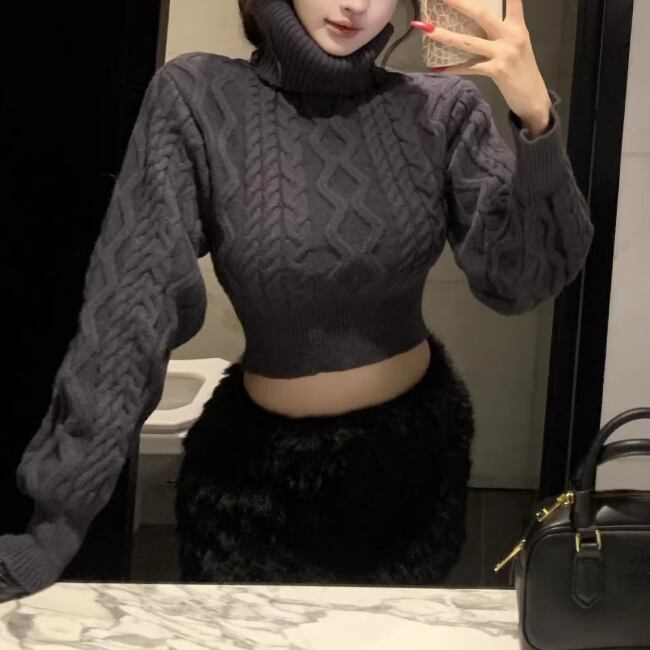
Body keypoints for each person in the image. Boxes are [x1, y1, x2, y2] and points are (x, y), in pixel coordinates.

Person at [0, 0, 594, 600]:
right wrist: (55, 525)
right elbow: (130, 309)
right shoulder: (197, 97)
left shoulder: (441, 109)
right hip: (247, 484)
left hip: (411, 474)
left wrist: (536, 116)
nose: (357, 5)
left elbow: (522, 282)